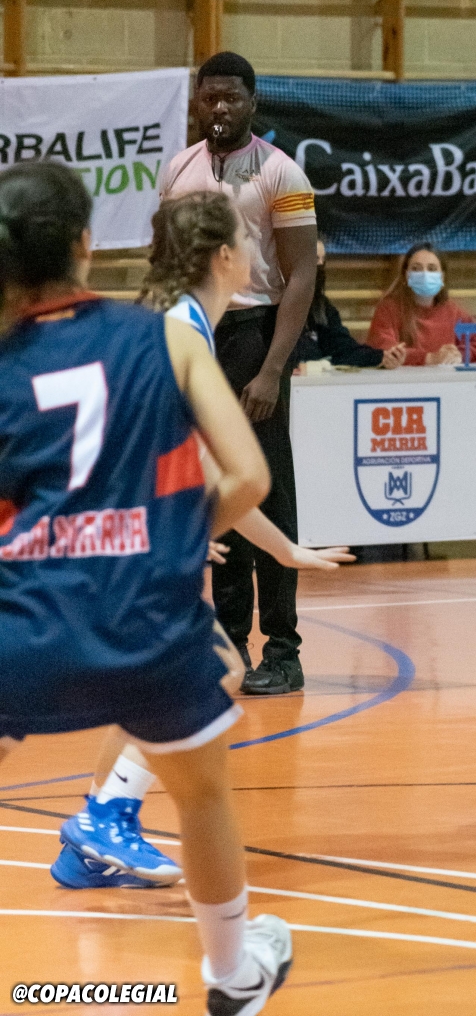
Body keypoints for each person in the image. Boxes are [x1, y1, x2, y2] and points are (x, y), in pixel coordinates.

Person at [0, 161, 291, 1012]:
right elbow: (247, 475)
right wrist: (167, 539)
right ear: (88, 243)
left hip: (25, 624)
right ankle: (232, 973)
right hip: (148, 625)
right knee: (200, 793)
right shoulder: (165, 337)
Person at [51, 192, 356, 892]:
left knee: (168, 679)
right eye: (248, 240)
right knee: (208, 669)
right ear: (225, 257)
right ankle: (107, 819)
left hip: (102, 524)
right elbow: (225, 470)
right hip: (110, 534)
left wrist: (261, 543)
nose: (256, 251)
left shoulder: (170, 322)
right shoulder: (180, 331)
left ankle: (92, 841)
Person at [161, 51, 318, 696]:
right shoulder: (178, 169)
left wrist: (274, 366)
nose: (220, 108)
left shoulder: (282, 172)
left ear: (253, 102)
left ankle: (284, 648)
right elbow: (168, 259)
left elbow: (303, 270)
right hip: (199, 328)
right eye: (210, 98)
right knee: (216, 483)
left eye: (232, 98)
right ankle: (228, 642)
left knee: (269, 485)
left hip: (256, 333)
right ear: (197, 102)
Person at [366, 242, 476, 366]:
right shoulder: (389, 309)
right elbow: (382, 347)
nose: (424, 274)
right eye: (416, 268)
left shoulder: (453, 312)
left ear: (442, 277)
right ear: (406, 276)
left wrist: (460, 354)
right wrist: (428, 358)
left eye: (432, 269)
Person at [299, 239, 405, 369]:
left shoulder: (320, 306)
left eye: (323, 260)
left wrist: (382, 357)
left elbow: (342, 349)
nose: (320, 265)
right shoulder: (273, 305)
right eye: (315, 259)